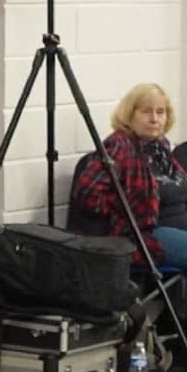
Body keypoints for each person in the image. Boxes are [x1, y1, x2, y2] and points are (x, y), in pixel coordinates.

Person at [72, 83, 187, 266]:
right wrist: (121, 212)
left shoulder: (160, 147)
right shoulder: (119, 147)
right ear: (130, 114)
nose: (154, 119)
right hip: (148, 235)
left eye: (160, 112)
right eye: (146, 111)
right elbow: (86, 195)